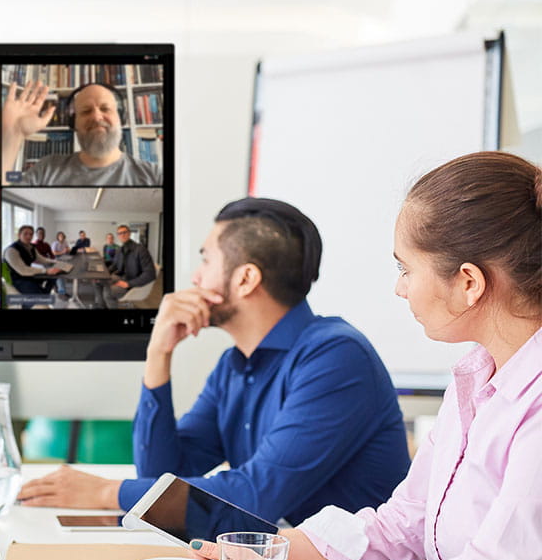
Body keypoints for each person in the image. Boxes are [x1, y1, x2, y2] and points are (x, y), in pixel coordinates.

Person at [194, 152, 542, 560]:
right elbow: (399, 525)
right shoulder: (476, 376)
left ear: (469, 283)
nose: (399, 289)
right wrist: (265, 557)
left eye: (405, 268)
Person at [20, 197, 410, 526]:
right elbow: (162, 479)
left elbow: (254, 500)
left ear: (245, 280)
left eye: (206, 260)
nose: (195, 276)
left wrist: (107, 493)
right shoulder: (235, 365)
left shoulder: (336, 358)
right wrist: (158, 354)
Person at [1, 81, 161, 186]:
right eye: (86, 111)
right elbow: (6, 183)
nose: (97, 117)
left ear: (121, 118)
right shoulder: (46, 168)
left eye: (105, 108)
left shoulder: (154, 176)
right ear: (74, 124)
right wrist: (15, 133)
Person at [100, 223, 157, 307]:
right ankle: (102, 305)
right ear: (118, 236)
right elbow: (114, 265)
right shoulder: (120, 249)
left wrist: (129, 284)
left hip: (132, 282)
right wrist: (102, 275)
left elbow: (150, 274)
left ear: (129, 233)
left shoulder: (140, 250)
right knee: (98, 281)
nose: (122, 235)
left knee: (108, 292)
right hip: (121, 277)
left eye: (124, 232)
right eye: (120, 233)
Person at [3, 224, 62, 300]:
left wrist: (57, 262)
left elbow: (42, 259)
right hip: (16, 279)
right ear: (19, 235)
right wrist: (46, 271)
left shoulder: (31, 247)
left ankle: (42, 294)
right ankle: (40, 296)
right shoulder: (11, 250)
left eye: (31, 234)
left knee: (54, 276)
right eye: (25, 234)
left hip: (27, 275)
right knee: (41, 296)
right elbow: (23, 270)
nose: (28, 236)